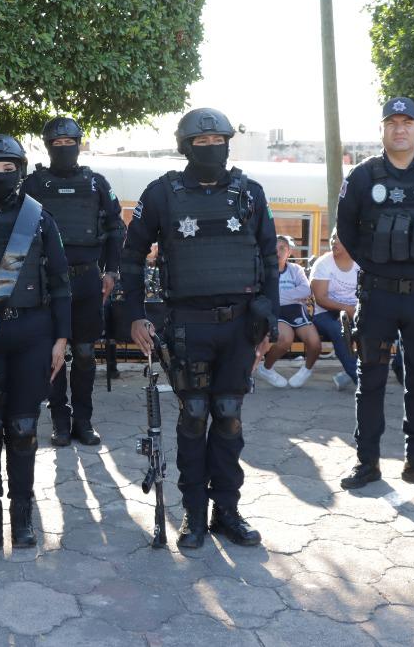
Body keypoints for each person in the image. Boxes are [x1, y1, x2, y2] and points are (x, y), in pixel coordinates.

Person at [124, 108, 277, 548]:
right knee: (193, 418)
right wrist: (135, 314)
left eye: (219, 141)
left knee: (228, 419)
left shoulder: (250, 193)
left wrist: (270, 321)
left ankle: (226, 510)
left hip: (240, 327)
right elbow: (131, 256)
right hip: (187, 325)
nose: (211, 148)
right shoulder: (162, 194)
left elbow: (269, 259)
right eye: (201, 142)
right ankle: (193, 515)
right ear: (185, 147)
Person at [336, 97, 414, 492]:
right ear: (382, 129)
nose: (400, 129)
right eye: (392, 122)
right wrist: (381, 264)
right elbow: (347, 230)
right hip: (378, 296)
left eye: (408, 122)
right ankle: (368, 462)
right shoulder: (362, 176)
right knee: (370, 379)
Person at [0, 135, 71, 550]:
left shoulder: (40, 218)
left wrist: (60, 337)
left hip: (33, 335)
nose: (1, 175)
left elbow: (61, 282)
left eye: (9, 168)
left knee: (24, 429)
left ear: (22, 170)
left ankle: (21, 514)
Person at [22, 116, 123, 447]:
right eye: (57, 144)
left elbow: (115, 229)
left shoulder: (96, 184)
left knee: (83, 353)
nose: (64, 149)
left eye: (70, 144)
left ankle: (84, 420)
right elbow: (18, 233)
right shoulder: (33, 185)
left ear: (79, 144)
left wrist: (111, 271)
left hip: (87, 281)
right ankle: (59, 422)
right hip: (49, 283)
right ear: (48, 146)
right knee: (53, 355)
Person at [257, 236, 320, 388]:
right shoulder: (264, 271)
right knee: (285, 339)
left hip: (296, 310)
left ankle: (306, 370)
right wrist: (293, 295)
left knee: (315, 343)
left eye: (282, 248)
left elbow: (306, 290)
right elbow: (263, 295)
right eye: (274, 248)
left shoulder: (295, 269)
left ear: (289, 251)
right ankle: (266, 368)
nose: (278, 252)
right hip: (277, 312)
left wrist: (277, 296)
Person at [310, 230, 360, 391]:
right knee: (340, 332)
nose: (333, 241)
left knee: (374, 332)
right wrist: (347, 310)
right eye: (332, 238)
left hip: (355, 310)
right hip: (326, 312)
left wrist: (355, 310)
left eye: (338, 238)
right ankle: (360, 380)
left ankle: (352, 373)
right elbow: (321, 299)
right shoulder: (323, 263)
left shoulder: (361, 262)